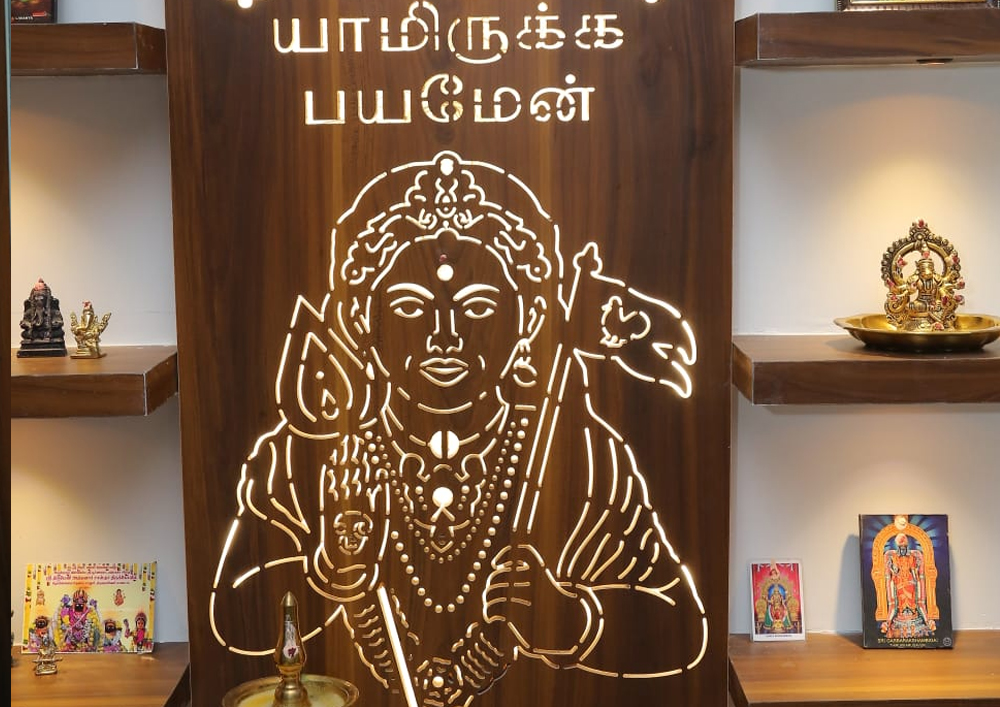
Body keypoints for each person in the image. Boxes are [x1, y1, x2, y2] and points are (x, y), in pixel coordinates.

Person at [211, 152, 706, 706]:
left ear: (527, 320)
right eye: (408, 307)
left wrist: (575, 621)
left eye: (478, 308)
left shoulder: (577, 451)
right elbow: (232, 619)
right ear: (362, 320)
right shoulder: (313, 449)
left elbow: (681, 629)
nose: (443, 336)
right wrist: (332, 568)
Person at [881, 533, 935, 638]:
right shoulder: (895, 558)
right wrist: (892, 568)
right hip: (899, 580)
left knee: (911, 596)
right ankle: (902, 612)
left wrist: (915, 579)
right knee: (901, 597)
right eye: (901, 549)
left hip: (910, 580)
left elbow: (913, 570)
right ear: (898, 549)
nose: (902, 551)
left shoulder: (911, 558)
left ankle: (911, 611)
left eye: (904, 548)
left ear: (907, 548)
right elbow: (895, 572)